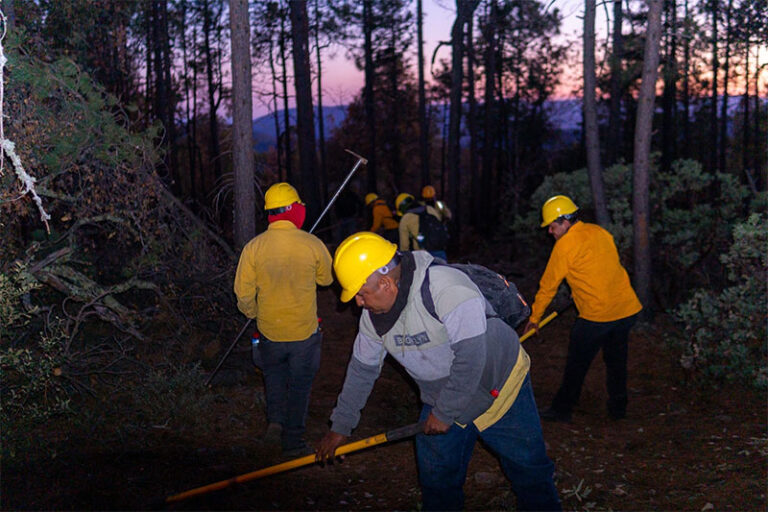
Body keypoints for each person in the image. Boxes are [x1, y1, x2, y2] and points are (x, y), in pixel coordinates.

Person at [316, 232, 561, 512]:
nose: (358, 303)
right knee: (437, 478)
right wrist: (340, 426)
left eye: (361, 294)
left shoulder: (446, 288)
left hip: (499, 385)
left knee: (528, 468)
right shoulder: (373, 319)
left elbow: (471, 359)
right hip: (444, 394)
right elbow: (362, 370)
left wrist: (445, 412)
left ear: (385, 283)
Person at [234, 182, 333, 457]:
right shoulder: (312, 244)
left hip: (269, 332)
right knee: (300, 386)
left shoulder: (253, 247)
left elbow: (243, 293)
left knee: (274, 379)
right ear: (293, 209)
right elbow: (327, 279)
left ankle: (275, 424)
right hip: (304, 334)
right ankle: (293, 440)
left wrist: (253, 313)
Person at [523, 195, 642, 423]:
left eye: (552, 226)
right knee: (616, 361)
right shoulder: (600, 232)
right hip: (625, 310)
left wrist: (535, 318)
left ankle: (562, 409)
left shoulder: (565, 245)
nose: (550, 231)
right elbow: (606, 267)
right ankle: (618, 409)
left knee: (577, 363)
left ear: (565, 221)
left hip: (597, 316)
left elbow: (548, 287)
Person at [396, 192, 449, 260]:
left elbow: (404, 246)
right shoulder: (429, 208)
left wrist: (404, 260)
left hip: (422, 255)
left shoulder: (405, 219)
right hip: (440, 250)